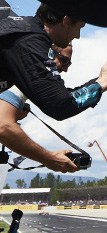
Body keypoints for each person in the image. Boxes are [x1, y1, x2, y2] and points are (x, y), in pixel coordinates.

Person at [0, 2, 107, 122]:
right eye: (79, 27)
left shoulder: (24, 31)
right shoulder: (28, 41)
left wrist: (100, 80)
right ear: (67, 21)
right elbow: (60, 106)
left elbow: (60, 97)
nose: (78, 36)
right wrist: (104, 83)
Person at [0, 43, 79, 173]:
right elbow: (3, 127)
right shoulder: (22, 80)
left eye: (69, 64)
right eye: (64, 61)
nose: (65, 69)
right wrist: (48, 158)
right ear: (48, 54)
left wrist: (12, 111)